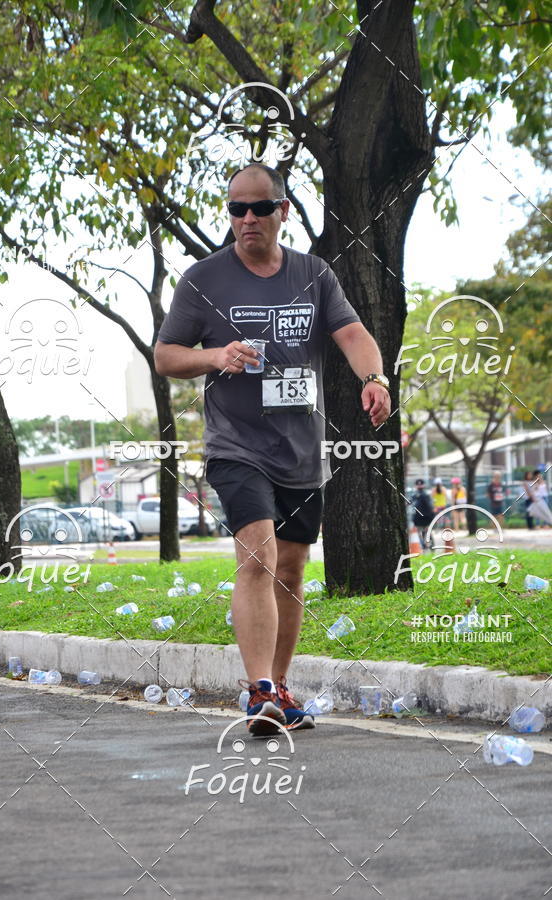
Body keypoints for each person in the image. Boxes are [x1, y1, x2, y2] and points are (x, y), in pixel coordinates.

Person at [154, 163, 391, 735]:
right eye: (237, 209)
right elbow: (165, 356)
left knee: (291, 569)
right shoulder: (202, 280)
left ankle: (280, 687)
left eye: (260, 207)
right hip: (237, 447)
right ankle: (258, 689)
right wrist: (214, 357)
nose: (248, 219)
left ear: (283, 211)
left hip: (301, 450)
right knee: (257, 555)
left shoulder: (314, 274)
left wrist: (374, 379)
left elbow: (352, 334)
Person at [411, 479, 434, 550]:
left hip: (426, 517)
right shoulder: (414, 495)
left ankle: (430, 545)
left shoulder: (426, 495)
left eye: (421, 484)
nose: (419, 486)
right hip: (418, 517)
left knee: (427, 532)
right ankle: (424, 545)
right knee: (420, 532)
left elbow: (430, 506)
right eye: (418, 484)